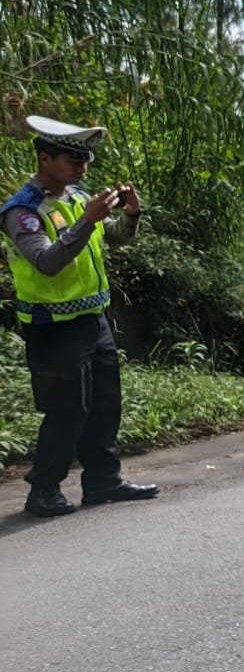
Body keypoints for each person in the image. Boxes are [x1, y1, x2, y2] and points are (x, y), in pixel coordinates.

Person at [2, 115, 159, 517]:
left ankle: (103, 482)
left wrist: (131, 215)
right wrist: (88, 220)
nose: (81, 168)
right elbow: (47, 262)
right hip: (52, 328)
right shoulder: (22, 212)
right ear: (44, 159)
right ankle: (43, 491)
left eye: (84, 161)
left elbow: (114, 238)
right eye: (73, 160)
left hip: (94, 319)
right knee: (67, 408)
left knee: (106, 404)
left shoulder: (75, 197)